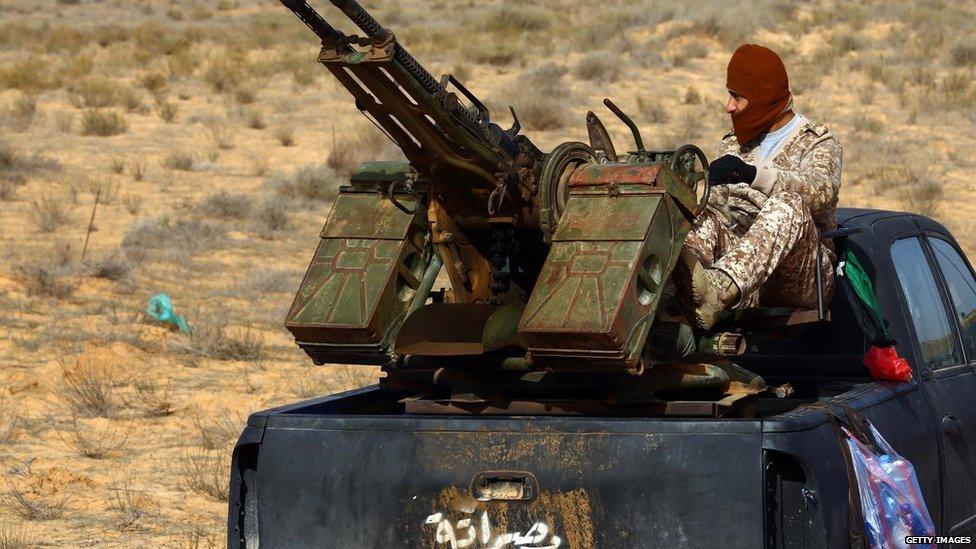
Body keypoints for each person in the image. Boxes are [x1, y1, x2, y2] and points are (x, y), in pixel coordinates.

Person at [677, 44, 843, 330]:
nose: (728, 106)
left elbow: (821, 192)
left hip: (801, 275)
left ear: (762, 98)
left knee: (788, 204)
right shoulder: (733, 143)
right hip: (747, 275)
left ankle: (717, 289)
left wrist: (753, 175)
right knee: (702, 218)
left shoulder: (817, 141)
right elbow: (719, 211)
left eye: (736, 97)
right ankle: (676, 291)